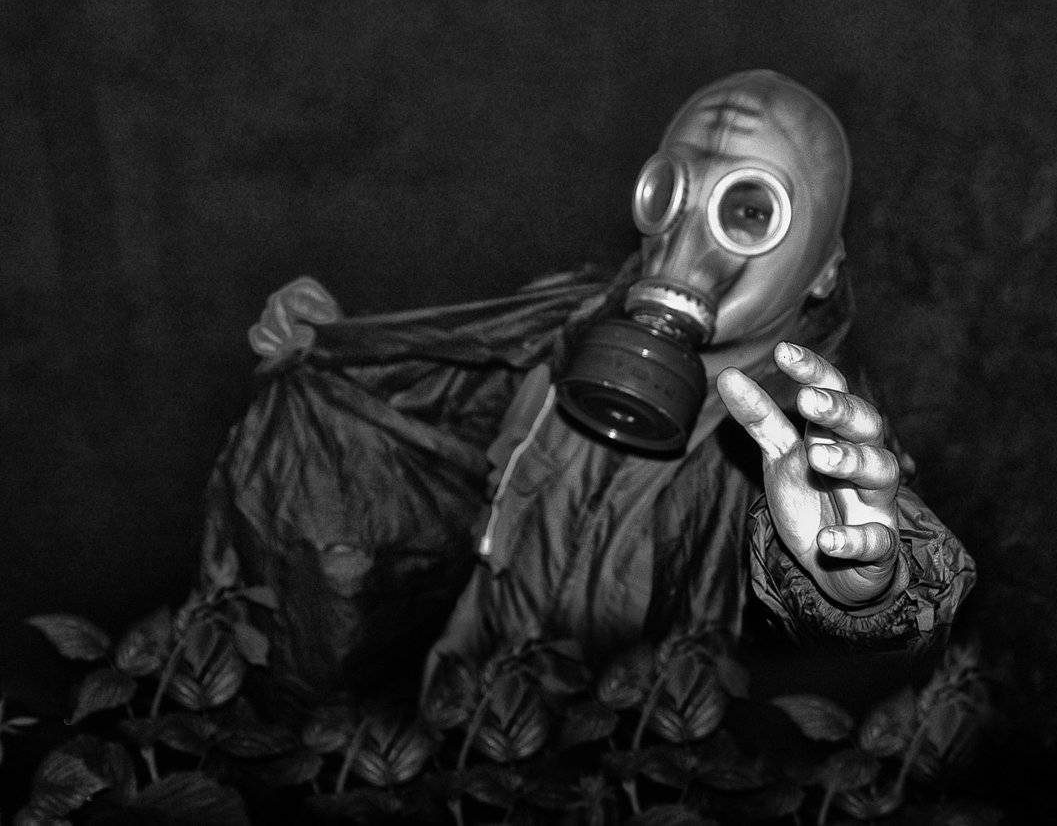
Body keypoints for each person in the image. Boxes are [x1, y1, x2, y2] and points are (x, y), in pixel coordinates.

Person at [207, 70, 974, 709]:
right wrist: (337, 350)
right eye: (674, 194)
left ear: (824, 270)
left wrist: (863, 586)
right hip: (466, 728)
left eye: (748, 212)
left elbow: (897, 578)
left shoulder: (814, 439)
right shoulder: (567, 330)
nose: (686, 244)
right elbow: (439, 416)